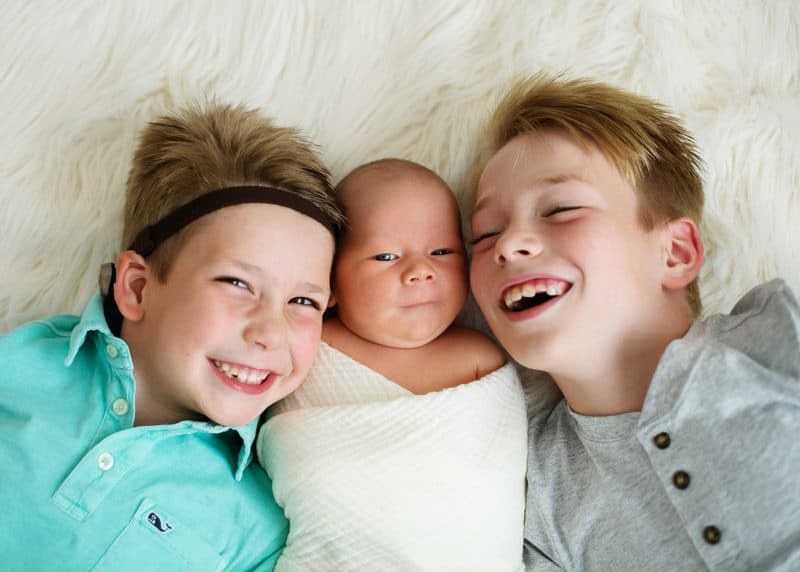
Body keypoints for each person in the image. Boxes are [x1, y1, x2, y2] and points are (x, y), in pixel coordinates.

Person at [468, 74, 800, 571]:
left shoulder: (772, 341)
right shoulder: (536, 492)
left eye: (560, 209)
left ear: (675, 253)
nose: (509, 243)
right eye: (485, 233)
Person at [0, 102, 345, 570]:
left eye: (304, 302)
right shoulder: (19, 365)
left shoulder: (257, 525)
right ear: (137, 288)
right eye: (237, 284)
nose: (270, 332)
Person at [257, 159, 528, 571]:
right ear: (329, 282)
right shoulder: (309, 345)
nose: (421, 270)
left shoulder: (479, 359)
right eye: (385, 256)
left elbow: (491, 496)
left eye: (442, 251)